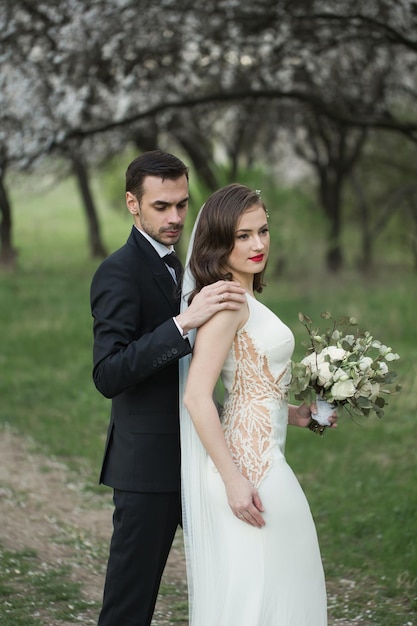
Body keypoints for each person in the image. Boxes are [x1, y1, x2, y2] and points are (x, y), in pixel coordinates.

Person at [90, 151, 246, 626]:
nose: (176, 217)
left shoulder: (187, 265)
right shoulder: (118, 272)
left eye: (182, 204)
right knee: (128, 607)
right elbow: (108, 373)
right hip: (147, 469)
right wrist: (182, 323)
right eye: (162, 206)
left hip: (202, 457)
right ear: (132, 205)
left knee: (227, 588)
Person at [180, 183, 337, 626]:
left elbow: (245, 388)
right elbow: (196, 396)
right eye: (242, 235)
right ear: (219, 242)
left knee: (276, 586)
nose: (258, 244)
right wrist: (233, 480)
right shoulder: (228, 302)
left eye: (262, 230)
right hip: (249, 472)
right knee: (267, 591)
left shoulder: (244, 297)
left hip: (262, 461)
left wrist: (297, 414)